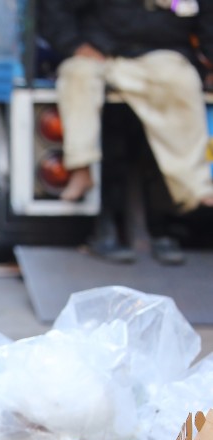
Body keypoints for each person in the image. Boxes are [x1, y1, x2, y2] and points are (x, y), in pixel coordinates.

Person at [39, 0, 213, 264]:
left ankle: (195, 187)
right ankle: (80, 168)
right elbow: (56, 8)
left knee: (183, 82)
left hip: (158, 56)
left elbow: (207, 19)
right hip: (100, 53)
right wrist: (74, 45)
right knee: (76, 76)